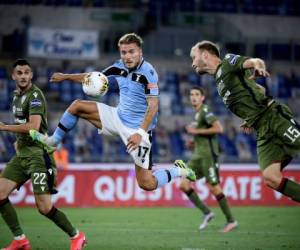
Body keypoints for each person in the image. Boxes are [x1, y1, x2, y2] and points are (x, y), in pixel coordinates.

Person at [30, 33, 196, 192]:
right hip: (117, 117)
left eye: (132, 51)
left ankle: (178, 170)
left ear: (140, 52)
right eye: (124, 52)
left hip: (137, 130)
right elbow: (94, 77)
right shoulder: (119, 66)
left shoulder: (148, 73)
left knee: (146, 183)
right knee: (77, 106)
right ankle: (54, 141)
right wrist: (66, 76)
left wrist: (140, 133)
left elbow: (153, 106)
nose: (127, 56)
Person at [189, 40, 300, 203]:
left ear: (205, 54)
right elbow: (260, 90)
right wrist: (249, 118)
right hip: (261, 128)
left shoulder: (227, 62)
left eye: (193, 57)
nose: (192, 64)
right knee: (271, 177)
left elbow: (255, 61)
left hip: (273, 117)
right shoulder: (219, 80)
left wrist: (259, 66)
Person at [0, 59, 86, 250]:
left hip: (38, 156)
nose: (23, 76)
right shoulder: (16, 96)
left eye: (26, 73)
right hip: (22, 155)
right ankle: (20, 239)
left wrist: (5, 127)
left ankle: (76, 235)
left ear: (31, 75)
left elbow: (34, 126)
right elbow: (24, 125)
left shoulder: (35, 95)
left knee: (44, 208)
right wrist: (17, 140)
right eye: (19, 73)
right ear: (13, 76)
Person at [179, 86, 237, 232]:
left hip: (208, 156)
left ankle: (231, 221)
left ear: (202, 98)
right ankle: (207, 212)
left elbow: (219, 128)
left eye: (197, 94)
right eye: (191, 94)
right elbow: (204, 135)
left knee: (214, 187)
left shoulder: (205, 111)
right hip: (197, 155)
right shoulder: (196, 114)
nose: (193, 97)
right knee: (184, 184)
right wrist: (194, 141)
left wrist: (196, 131)